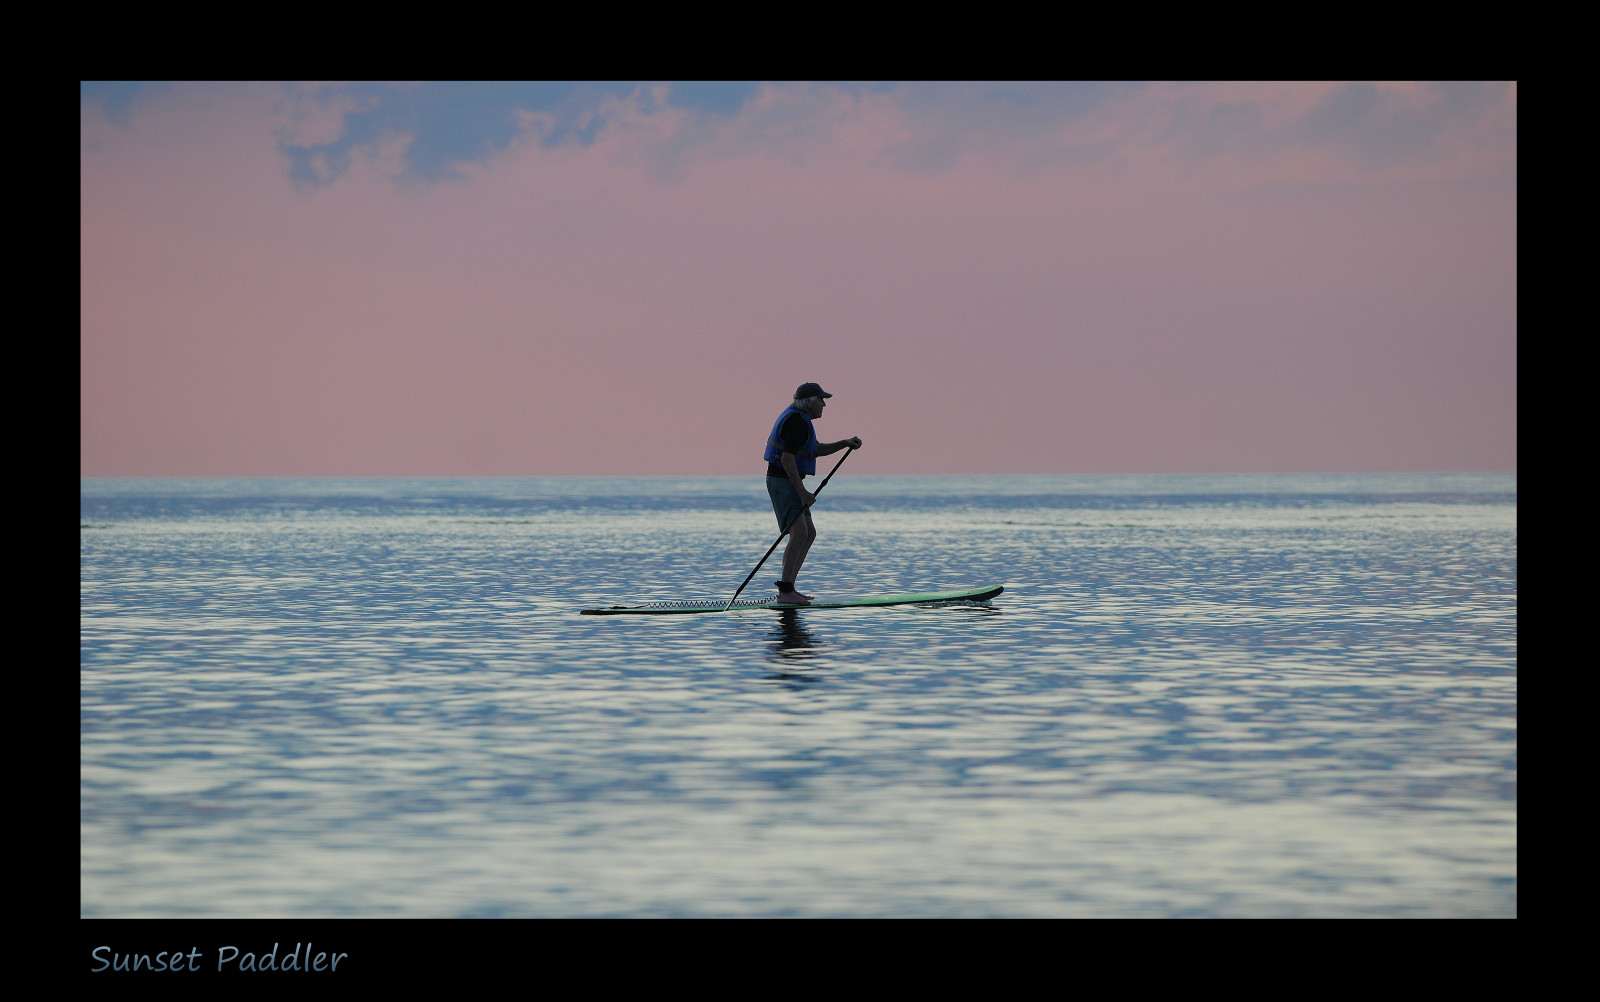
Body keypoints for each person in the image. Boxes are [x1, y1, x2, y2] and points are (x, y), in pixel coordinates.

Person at [763, 382, 862, 605]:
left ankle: (789, 588)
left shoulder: (801, 421)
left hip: (789, 481)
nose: (824, 404)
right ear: (809, 401)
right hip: (782, 482)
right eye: (821, 400)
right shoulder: (796, 422)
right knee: (799, 532)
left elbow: (815, 449)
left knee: (809, 533)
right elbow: (787, 459)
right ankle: (786, 592)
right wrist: (803, 491)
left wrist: (845, 443)